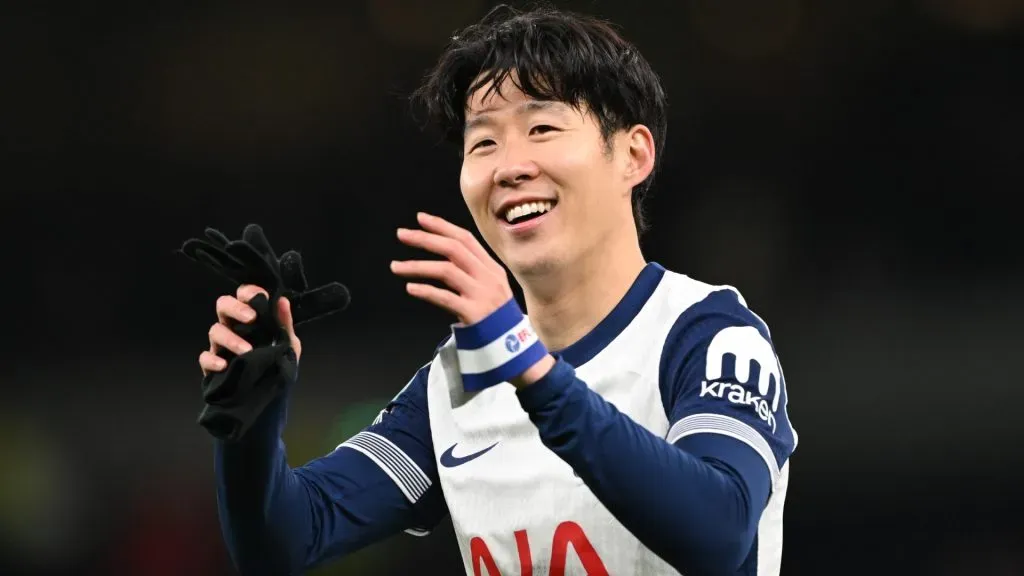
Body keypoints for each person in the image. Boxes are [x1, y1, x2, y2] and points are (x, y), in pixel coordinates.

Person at [199, 5, 797, 575]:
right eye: (483, 142)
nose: (509, 166)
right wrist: (250, 430)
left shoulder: (706, 334)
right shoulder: (455, 385)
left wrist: (529, 369)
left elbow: (720, 535)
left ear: (633, 155)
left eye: (542, 127)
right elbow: (288, 538)